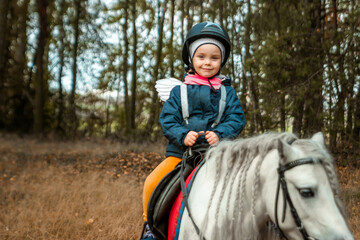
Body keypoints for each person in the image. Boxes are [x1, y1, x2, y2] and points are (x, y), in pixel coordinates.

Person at [141, 21, 245, 240]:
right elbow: (168, 119)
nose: (207, 62)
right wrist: (182, 134)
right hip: (181, 154)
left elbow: (236, 119)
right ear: (191, 58)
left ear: (222, 61)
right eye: (201, 56)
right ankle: (150, 227)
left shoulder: (228, 92)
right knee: (152, 181)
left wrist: (221, 134)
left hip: (216, 154)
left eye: (214, 58)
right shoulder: (179, 92)